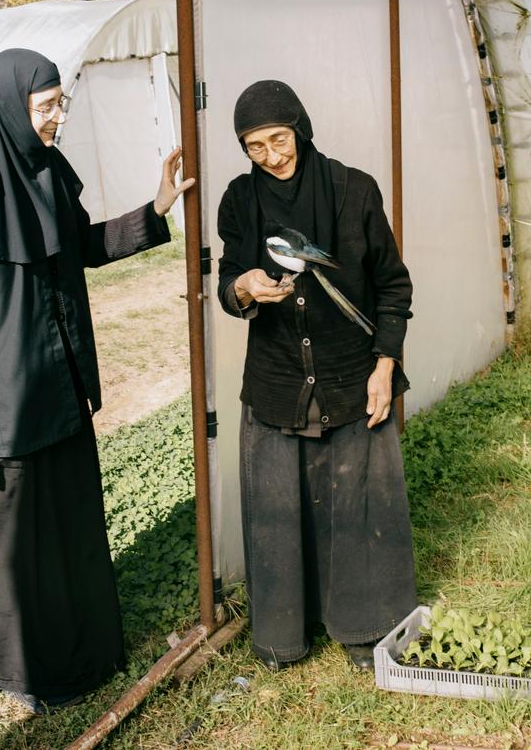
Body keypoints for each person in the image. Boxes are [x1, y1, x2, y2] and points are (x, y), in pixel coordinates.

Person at [0, 48, 193, 713]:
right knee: (4, 552)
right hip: (4, 406)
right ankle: (9, 666)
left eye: (59, 105)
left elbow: (85, 247)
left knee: (63, 537)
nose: (57, 119)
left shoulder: (49, 174)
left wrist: (155, 208)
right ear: (11, 107)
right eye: (46, 108)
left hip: (59, 392)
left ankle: (71, 646)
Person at [217, 79, 417, 672]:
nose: (272, 156)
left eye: (279, 139)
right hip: (278, 379)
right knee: (279, 508)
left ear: (300, 127)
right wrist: (241, 287)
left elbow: (392, 286)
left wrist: (385, 364)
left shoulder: (352, 190)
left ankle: (366, 630)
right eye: (255, 147)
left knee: (358, 502)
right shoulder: (239, 200)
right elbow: (229, 277)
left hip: (351, 375)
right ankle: (285, 634)